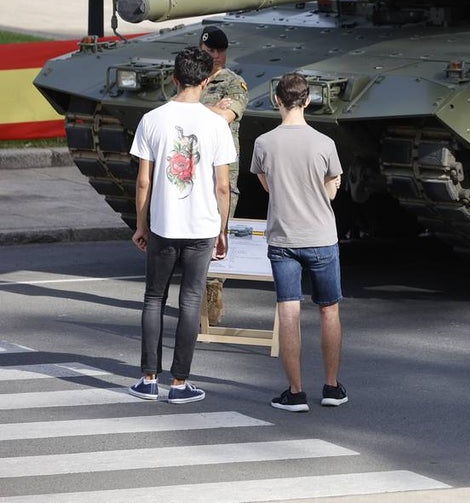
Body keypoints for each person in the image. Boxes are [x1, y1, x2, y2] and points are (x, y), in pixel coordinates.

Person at [128, 46, 236, 404]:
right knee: (190, 301)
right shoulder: (217, 125)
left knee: (154, 298)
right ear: (206, 82)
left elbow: (144, 181)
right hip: (203, 227)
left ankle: (147, 378)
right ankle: (179, 383)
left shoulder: (152, 119)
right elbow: (223, 185)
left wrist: (141, 224)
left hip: (163, 224)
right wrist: (222, 229)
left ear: (174, 78)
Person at [251, 72, 347, 413]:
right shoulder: (325, 144)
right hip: (321, 236)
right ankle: (332, 387)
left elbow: (268, 186)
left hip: (283, 237)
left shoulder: (263, 143)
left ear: (277, 100)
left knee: (288, 313)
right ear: (308, 100)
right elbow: (331, 190)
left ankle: (295, 392)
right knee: (329, 310)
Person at [199, 25, 248, 218]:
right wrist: (213, 108)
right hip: (188, 157)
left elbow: (224, 117)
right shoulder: (190, 77)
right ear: (200, 48)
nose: (216, 55)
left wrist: (191, 106)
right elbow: (171, 110)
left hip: (220, 162)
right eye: (210, 50)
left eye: (221, 51)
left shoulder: (234, 83)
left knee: (218, 225)